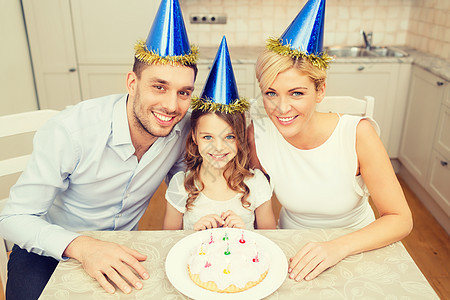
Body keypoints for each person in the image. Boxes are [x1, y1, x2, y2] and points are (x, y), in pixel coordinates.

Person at [0, 0, 198, 298]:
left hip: (122, 246)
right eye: (159, 86)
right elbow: (13, 219)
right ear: (132, 82)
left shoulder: (182, 129)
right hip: (50, 245)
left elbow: (190, 182)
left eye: (183, 92)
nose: (172, 106)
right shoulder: (71, 131)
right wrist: (83, 246)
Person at [248, 0, 412, 283]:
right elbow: (245, 194)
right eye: (271, 93)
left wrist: (338, 247)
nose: (281, 108)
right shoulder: (258, 135)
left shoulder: (358, 135)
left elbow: (400, 218)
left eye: (297, 93)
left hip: (358, 246)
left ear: (320, 90)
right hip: (292, 246)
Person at [163, 37, 276, 231]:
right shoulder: (181, 185)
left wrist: (244, 233)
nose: (218, 147)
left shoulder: (256, 183)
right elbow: (167, 239)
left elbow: (270, 237)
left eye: (229, 137)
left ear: (240, 139)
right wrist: (193, 233)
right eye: (208, 137)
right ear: (194, 137)